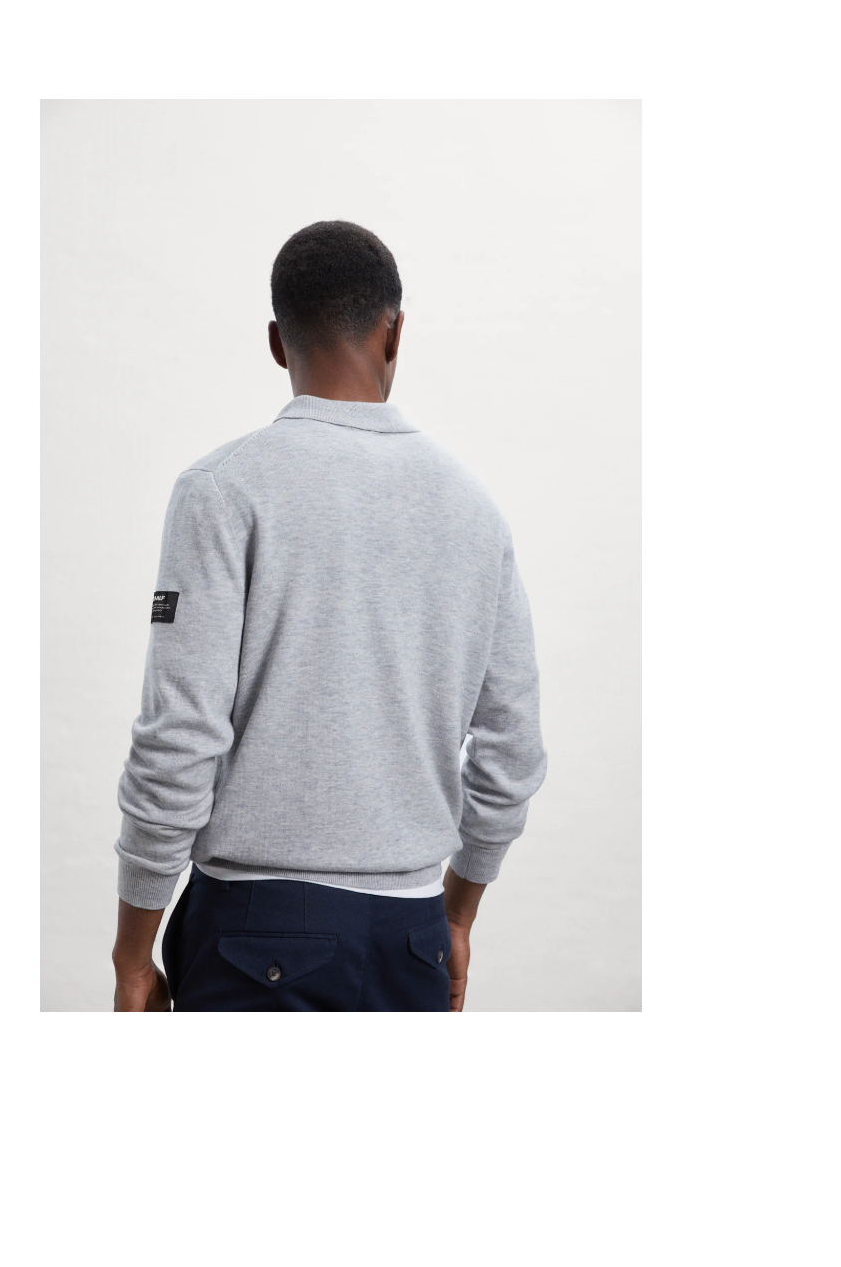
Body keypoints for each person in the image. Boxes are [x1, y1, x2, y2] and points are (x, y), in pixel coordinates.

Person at [111, 220, 547, 1012]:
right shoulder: (473, 510)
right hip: (411, 934)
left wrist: (133, 950)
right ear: (396, 332)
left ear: (278, 343)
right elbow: (512, 748)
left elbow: (180, 736)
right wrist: (456, 913)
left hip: (253, 933)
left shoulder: (223, 490)